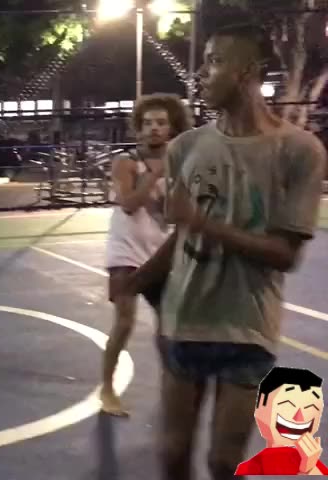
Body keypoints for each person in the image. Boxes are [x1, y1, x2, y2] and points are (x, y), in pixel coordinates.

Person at [125, 24, 326, 480]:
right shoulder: (186, 147)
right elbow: (182, 237)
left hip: (248, 327)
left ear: (248, 71)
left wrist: (203, 223)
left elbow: (284, 254)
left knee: (222, 461)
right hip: (184, 320)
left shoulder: (299, 151)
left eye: (215, 60)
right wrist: (137, 280)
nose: (201, 73)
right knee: (173, 454)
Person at [100, 93, 192, 416]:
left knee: (169, 324)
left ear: (172, 127)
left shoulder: (180, 164)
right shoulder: (125, 162)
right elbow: (128, 204)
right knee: (125, 322)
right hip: (125, 252)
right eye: (148, 122)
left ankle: (170, 386)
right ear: (138, 127)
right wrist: (155, 173)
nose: (154, 128)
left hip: (158, 253)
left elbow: (173, 214)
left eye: (161, 123)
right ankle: (107, 389)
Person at [236, 367, 327, 475]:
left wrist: (309, 469)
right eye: (288, 405)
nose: (299, 418)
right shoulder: (248, 468)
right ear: (262, 404)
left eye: (310, 407)